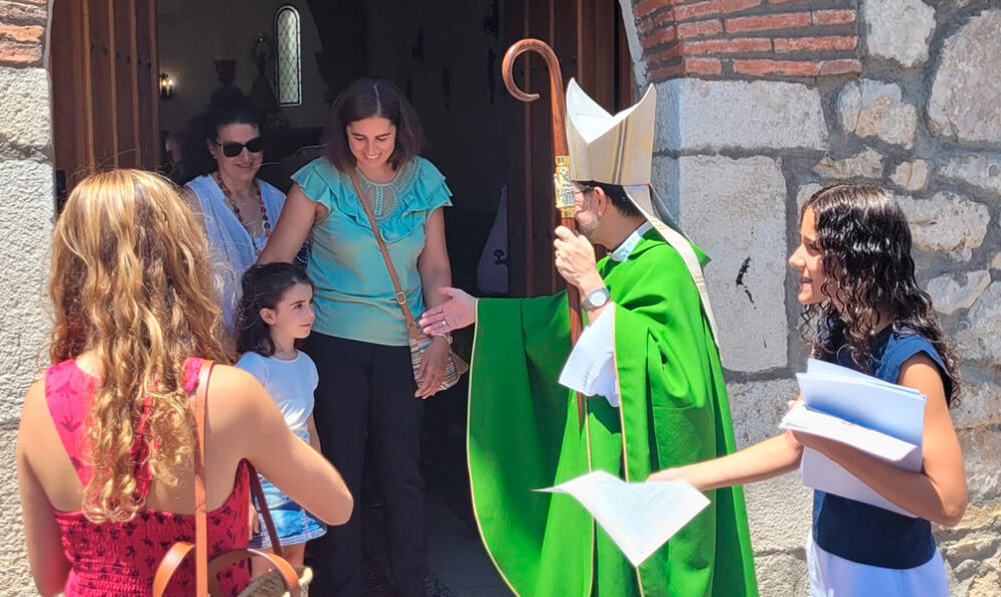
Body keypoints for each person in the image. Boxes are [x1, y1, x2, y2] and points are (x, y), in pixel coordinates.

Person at [419, 81, 756, 596]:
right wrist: (481, 313)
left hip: (641, 462)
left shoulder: (663, 266)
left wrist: (592, 287)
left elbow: (676, 384)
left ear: (600, 197)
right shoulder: (621, 262)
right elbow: (563, 324)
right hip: (604, 451)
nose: (573, 209)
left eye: (577, 196)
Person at [16, 170, 352, 597]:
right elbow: (337, 506)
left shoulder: (40, 402)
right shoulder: (227, 392)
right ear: (185, 261)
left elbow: (49, 582)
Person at [650, 184, 967, 596]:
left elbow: (949, 503)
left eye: (812, 247)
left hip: (890, 577)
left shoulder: (912, 362)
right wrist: (683, 478)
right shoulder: (839, 330)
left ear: (859, 258)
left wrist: (830, 440)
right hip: (828, 556)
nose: (796, 259)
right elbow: (797, 446)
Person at [258, 77, 454, 597]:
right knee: (338, 467)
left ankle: (411, 585)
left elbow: (435, 268)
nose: (369, 150)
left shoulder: (426, 180)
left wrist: (439, 337)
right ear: (342, 133)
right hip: (333, 345)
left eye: (382, 138)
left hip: (404, 342)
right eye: (359, 138)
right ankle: (341, 587)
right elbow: (275, 262)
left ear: (401, 132)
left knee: (404, 473)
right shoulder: (318, 179)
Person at [234, 262, 327, 573]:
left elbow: (309, 427)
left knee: (295, 566)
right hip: (263, 483)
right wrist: (243, 499)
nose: (309, 313)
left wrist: (319, 478)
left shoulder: (308, 364)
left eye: (310, 303)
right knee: (265, 571)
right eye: (297, 306)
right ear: (268, 315)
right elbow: (238, 439)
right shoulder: (253, 366)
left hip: (299, 477)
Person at [183, 94, 287, 330]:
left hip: (274, 338)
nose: (246, 157)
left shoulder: (278, 199)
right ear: (212, 148)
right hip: (218, 335)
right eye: (233, 149)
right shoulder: (195, 200)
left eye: (254, 145)